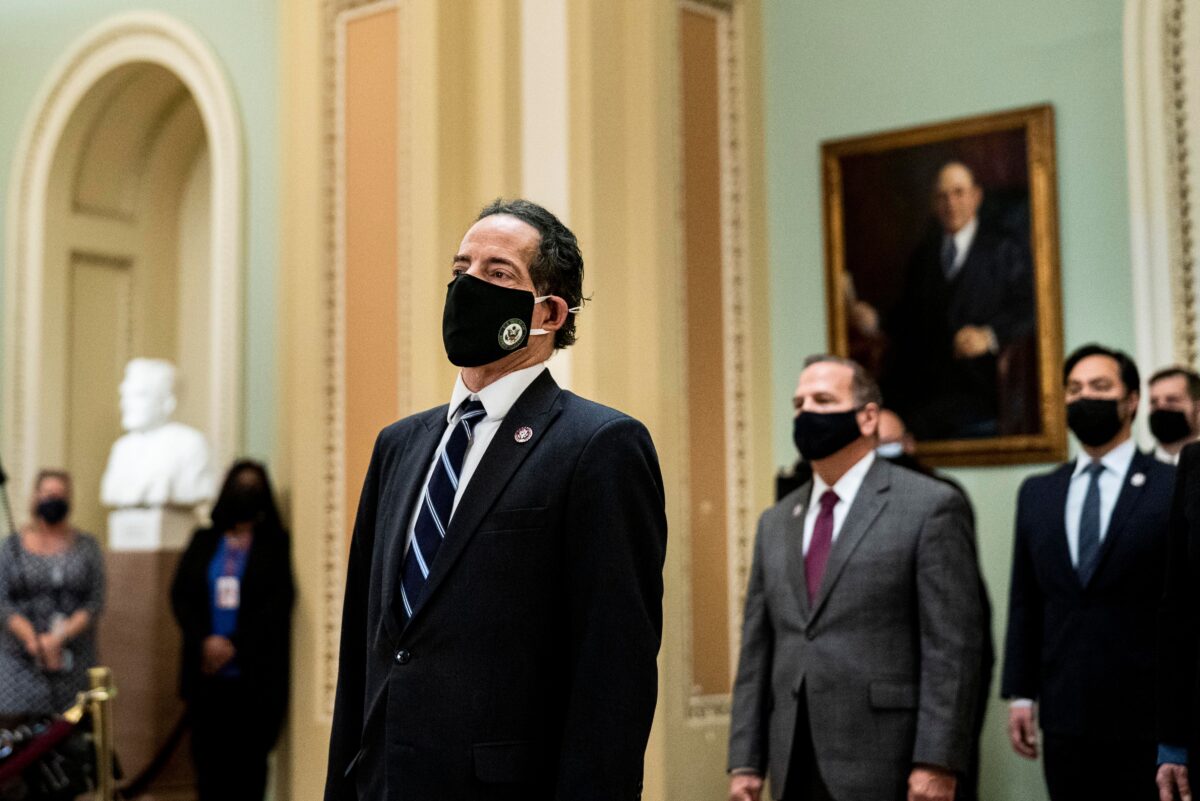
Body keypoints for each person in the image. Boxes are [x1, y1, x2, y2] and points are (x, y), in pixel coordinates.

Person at [324, 199, 667, 801]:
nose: (468, 286)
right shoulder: (399, 445)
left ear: (550, 312)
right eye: (461, 270)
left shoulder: (599, 445)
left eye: (497, 272)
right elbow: (363, 646)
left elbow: (614, 670)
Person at [727, 355, 984, 801]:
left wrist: (936, 761)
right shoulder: (776, 521)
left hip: (887, 758)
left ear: (867, 418)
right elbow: (757, 649)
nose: (806, 412)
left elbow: (951, 650)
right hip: (793, 758)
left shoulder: (930, 506)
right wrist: (745, 761)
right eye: (799, 403)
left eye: (823, 400)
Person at [1001, 344, 1172, 801]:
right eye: (1074, 389)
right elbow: (1026, 599)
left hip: (1149, 715)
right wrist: (1021, 693)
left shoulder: (1170, 486)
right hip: (1065, 715)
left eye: (1099, 387)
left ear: (1131, 400)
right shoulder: (1038, 492)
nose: (1085, 398)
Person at [875, 407, 993, 801]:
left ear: (909, 444)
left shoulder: (939, 498)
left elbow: (960, 629)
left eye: (890, 444)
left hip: (935, 698)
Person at [883, 161, 1035, 441]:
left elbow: (1029, 308)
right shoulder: (923, 256)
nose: (950, 204)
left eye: (958, 193)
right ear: (933, 203)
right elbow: (907, 318)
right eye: (942, 196)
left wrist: (989, 336)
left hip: (982, 386)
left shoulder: (1003, 249)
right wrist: (873, 320)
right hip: (926, 389)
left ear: (976, 196)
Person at [170, 460, 294, 801]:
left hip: (254, 682)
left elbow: (277, 604)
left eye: (253, 487)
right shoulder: (204, 540)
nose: (246, 493)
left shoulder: (275, 544)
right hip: (206, 678)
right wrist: (205, 641)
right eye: (240, 486)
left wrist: (233, 644)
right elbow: (181, 595)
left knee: (248, 776)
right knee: (209, 774)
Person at [0, 470, 104, 719]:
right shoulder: (11, 547)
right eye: (48, 494)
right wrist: (34, 640)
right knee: (20, 732)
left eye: (60, 495)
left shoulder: (87, 546)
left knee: (70, 729)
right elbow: (2, 601)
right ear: (36, 497)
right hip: (20, 661)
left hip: (72, 659)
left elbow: (94, 601)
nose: (53, 500)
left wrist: (57, 639)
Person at [100, 358, 216, 508]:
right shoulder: (122, 448)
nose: (126, 404)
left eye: (139, 395)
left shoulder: (190, 443)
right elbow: (110, 492)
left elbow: (199, 490)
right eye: (125, 395)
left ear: (168, 402)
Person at [1147, 366, 1200, 464]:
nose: (1161, 407)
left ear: (1197, 407)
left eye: (1172, 400)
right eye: (1154, 402)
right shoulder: (1134, 468)